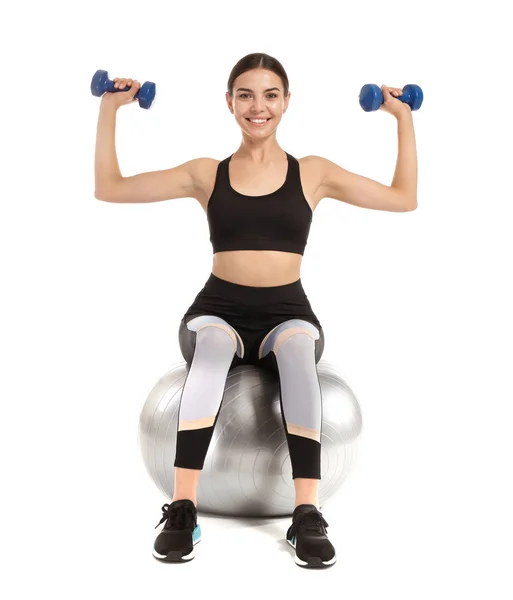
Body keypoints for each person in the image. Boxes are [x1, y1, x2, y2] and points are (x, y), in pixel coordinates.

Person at [94, 52, 418, 568]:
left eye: (270, 95)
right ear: (229, 103)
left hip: (288, 309)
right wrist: (110, 109)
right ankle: (182, 509)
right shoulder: (206, 173)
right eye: (245, 94)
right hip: (218, 308)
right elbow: (109, 188)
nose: (258, 106)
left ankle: (306, 514)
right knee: (215, 348)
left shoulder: (314, 173)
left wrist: (402, 119)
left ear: (286, 103)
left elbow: (404, 198)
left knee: (296, 356)